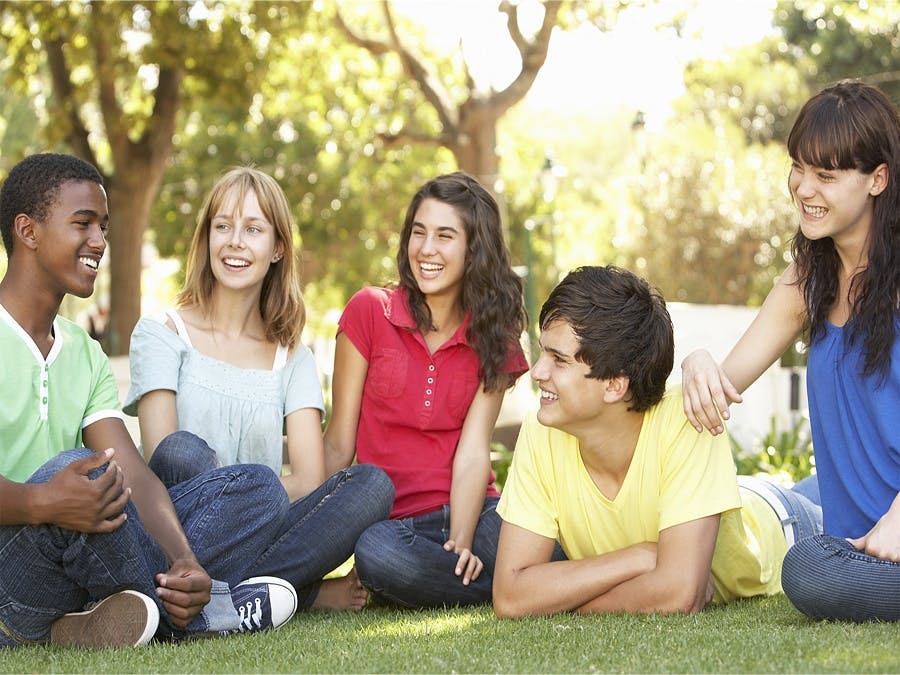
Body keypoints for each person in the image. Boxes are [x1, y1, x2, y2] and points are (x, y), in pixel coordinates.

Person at [0, 153, 298, 648]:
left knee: (257, 489)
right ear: (27, 231)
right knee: (84, 470)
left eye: (103, 226)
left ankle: (101, 620)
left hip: (84, 552)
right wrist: (43, 501)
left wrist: (185, 560)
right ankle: (212, 613)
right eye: (83, 224)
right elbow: (84, 484)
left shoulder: (84, 353)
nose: (99, 241)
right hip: (13, 566)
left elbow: (136, 476)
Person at [124, 167, 394, 612]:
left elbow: (310, 479)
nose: (235, 241)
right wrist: (251, 490)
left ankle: (223, 599)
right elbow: (161, 465)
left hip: (264, 524)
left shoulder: (293, 357)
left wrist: (253, 497)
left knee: (372, 485)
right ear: (206, 238)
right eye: (223, 226)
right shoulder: (161, 333)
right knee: (182, 451)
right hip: (181, 532)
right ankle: (293, 594)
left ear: (277, 248)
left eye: (253, 229)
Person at [681, 79, 900, 622]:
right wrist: (697, 363)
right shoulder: (807, 281)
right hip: (855, 547)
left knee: (805, 568)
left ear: (878, 179)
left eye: (826, 175)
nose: (804, 188)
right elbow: (723, 386)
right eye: (799, 167)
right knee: (802, 546)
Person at [492, 265, 822, 617]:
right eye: (543, 353)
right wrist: (642, 557)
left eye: (558, 360)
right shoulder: (543, 428)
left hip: (788, 523)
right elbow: (511, 596)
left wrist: (561, 602)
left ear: (614, 385)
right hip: (729, 496)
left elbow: (679, 595)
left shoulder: (687, 418)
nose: (538, 372)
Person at [323, 171, 529, 607]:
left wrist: (461, 542)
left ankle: (470, 582)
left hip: (474, 510)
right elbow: (339, 445)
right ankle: (515, 589)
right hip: (392, 525)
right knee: (377, 554)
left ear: (474, 249)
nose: (427, 249)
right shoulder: (369, 312)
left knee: (542, 544)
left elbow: (474, 450)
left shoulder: (495, 332)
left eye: (444, 235)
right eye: (419, 233)